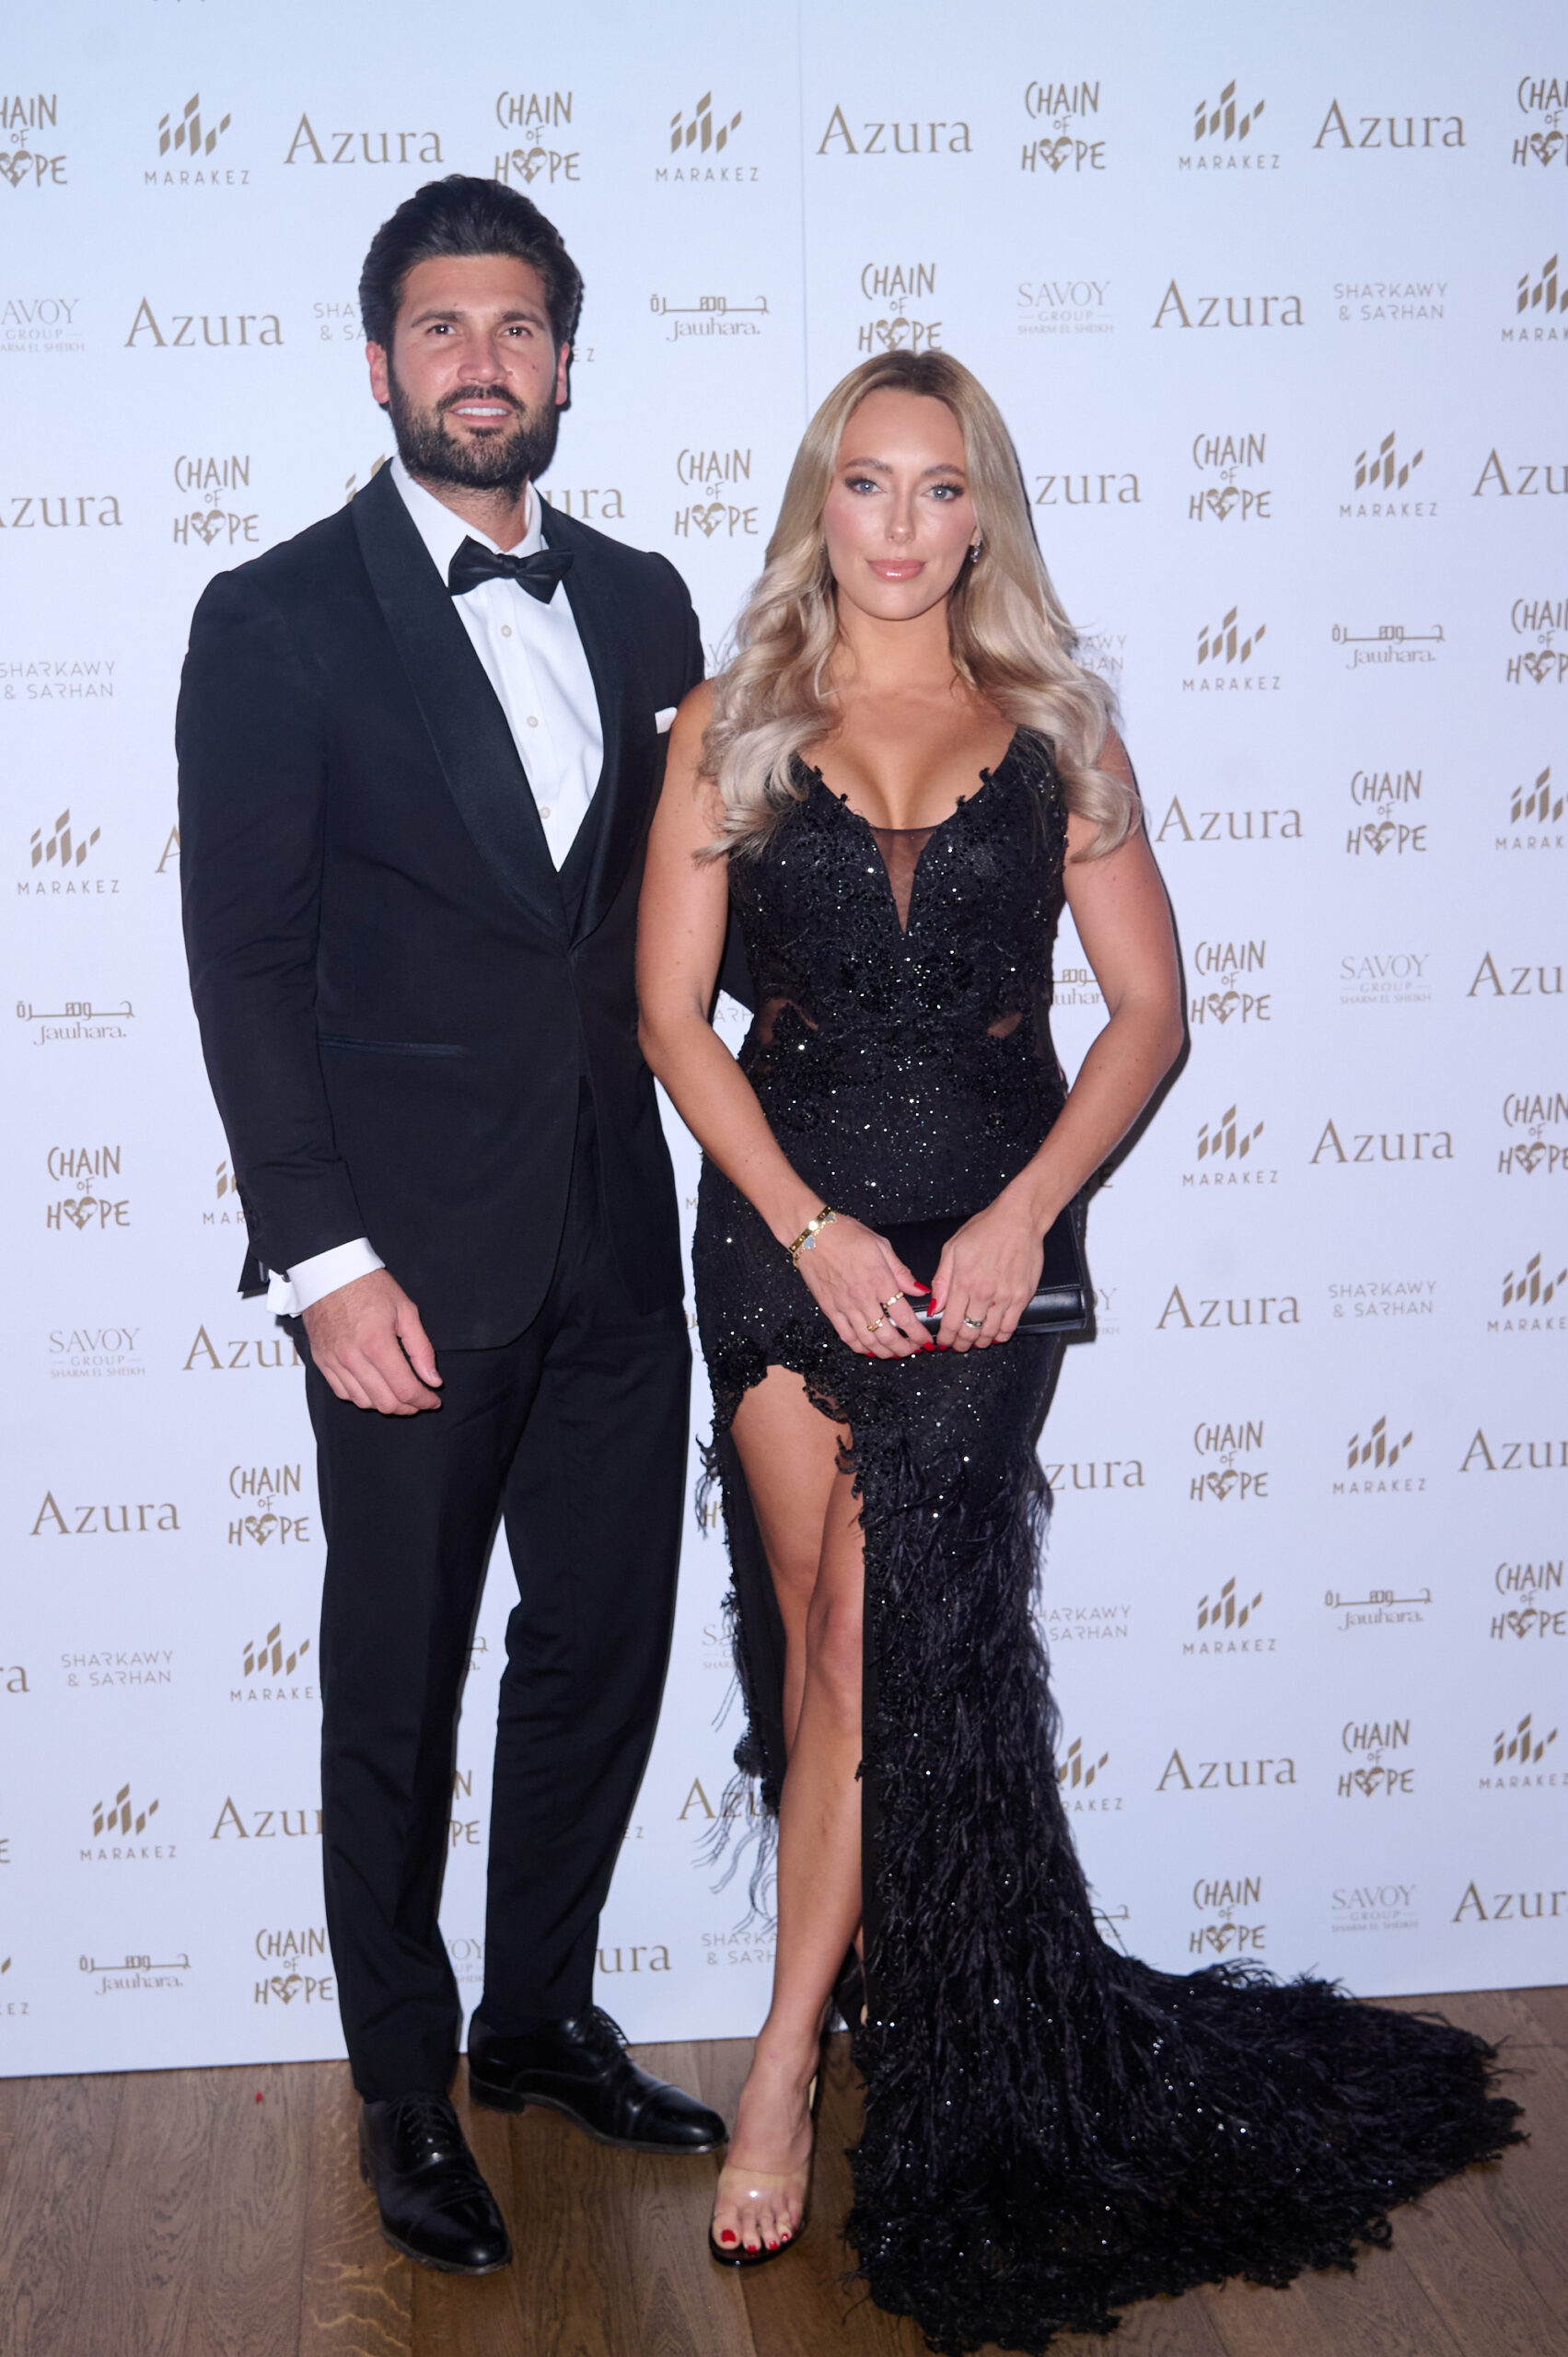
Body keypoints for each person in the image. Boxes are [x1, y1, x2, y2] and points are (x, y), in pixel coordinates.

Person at [636, 350, 1520, 2349]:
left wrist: (1024, 1212)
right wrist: (809, 1224)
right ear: (819, 504)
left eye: (938, 490)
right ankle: (898, 1986)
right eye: (863, 486)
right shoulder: (727, 721)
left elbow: (1146, 1008)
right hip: (785, 1241)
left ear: (982, 513)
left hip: (979, 1259)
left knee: (875, 1641)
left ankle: (783, 2063)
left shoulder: (1058, 726)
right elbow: (678, 1021)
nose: (897, 526)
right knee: (810, 1639)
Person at [178, 176, 726, 2278]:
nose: (479, 360)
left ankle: (539, 2012)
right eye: (439, 327)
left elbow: (688, 918)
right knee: (395, 1687)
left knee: (602, 1644)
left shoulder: (658, 601)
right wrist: (324, 1263)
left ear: (565, 362)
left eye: (515, 327)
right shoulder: (280, 615)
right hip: (404, 1261)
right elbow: (248, 959)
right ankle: (404, 2078)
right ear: (384, 357)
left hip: (616, 1226)